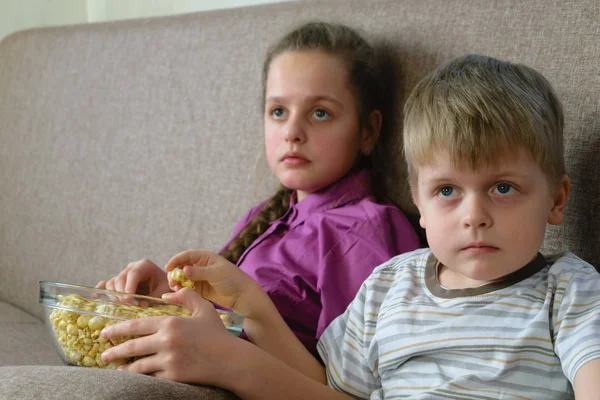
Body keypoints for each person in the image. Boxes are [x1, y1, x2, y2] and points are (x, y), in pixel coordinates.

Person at [101, 54, 600, 399]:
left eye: (503, 188)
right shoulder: (390, 285)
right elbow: (326, 387)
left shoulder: (570, 291)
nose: (474, 214)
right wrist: (250, 303)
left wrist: (230, 358)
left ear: (556, 200)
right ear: (420, 208)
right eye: (447, 191)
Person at [96, 21, 420, 357]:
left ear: (368, 130)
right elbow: (226, 320)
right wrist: (162, 293)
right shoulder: (266, 217)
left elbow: (354, 378)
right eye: (278, 111)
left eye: (320, 113)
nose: (292, 131)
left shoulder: (363, 232)